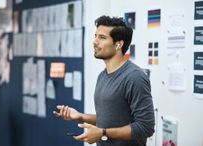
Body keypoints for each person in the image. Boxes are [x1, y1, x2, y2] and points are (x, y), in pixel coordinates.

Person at [53, 15, 155, 146]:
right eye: (95, 36)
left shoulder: (135, 77)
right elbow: (109, 121)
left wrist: (103, 133)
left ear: (118, 44)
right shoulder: (102, 75)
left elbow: (146, 127)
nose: (95, 42)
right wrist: (80, 116)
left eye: (102, 37)